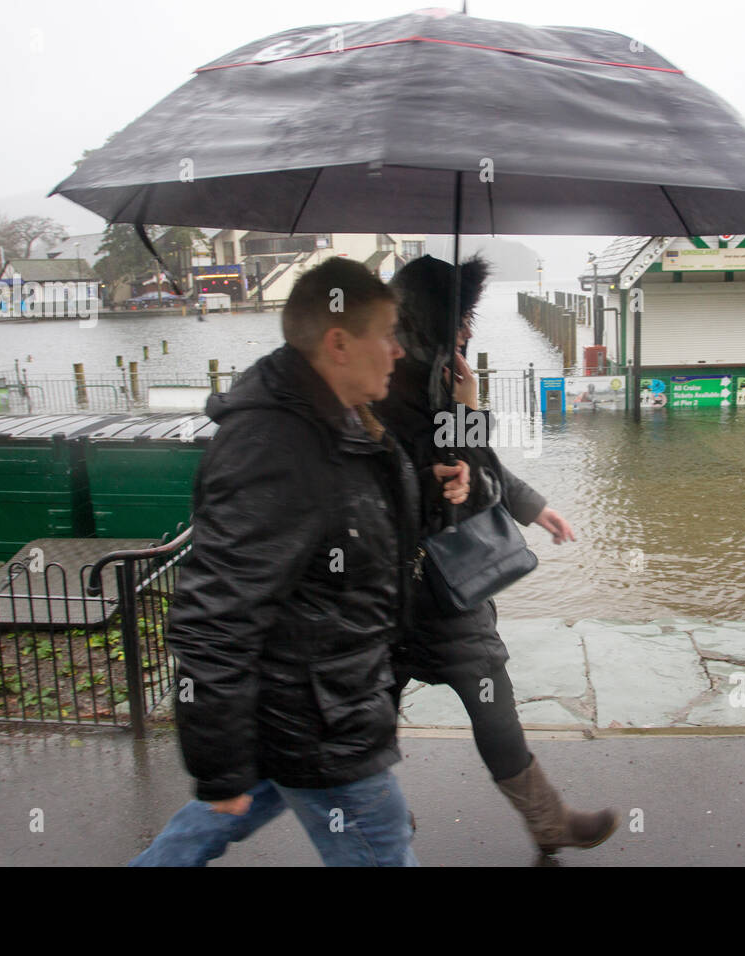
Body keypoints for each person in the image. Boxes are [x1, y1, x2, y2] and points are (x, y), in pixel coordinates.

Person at [130, 257, 469, 867]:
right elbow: (213, 616)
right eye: (387, 335)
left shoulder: (337, 418)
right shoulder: (274, 446)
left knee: (205, 830)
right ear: (339, 343)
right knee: (380, 850)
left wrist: (430, 479)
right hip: (319, 724)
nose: (397, 352)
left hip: (301, 705)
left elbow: (353, 526)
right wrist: (220, 768)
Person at [374, 254, 618, 858]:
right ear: (432, 320)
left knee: (487, 712)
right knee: (375, 720)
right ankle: (379, 820)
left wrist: (532, 504)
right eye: (462, 319)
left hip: (439, 589)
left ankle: (549, 823)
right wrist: (447, 467)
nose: (469, 331)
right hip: (403, 595)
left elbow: (482, 474)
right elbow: (434, 484)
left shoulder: (441, 382)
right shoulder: (378, 389)